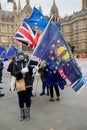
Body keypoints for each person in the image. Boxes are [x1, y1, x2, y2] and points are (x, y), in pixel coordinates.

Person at [13, 51, 33, 121]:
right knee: (21, 100)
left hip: (28, 84)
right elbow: (14, 73)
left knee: (28, 99)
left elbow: (31, 73)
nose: (21, 56)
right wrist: (21, 71)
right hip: (20, 84)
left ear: (24, 56)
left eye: (22, 55)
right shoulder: (16, 63)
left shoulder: (27, 62)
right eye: (20, 55)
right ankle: (22, 113)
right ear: (18, 56)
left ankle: (28, 113)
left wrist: (33, 69)